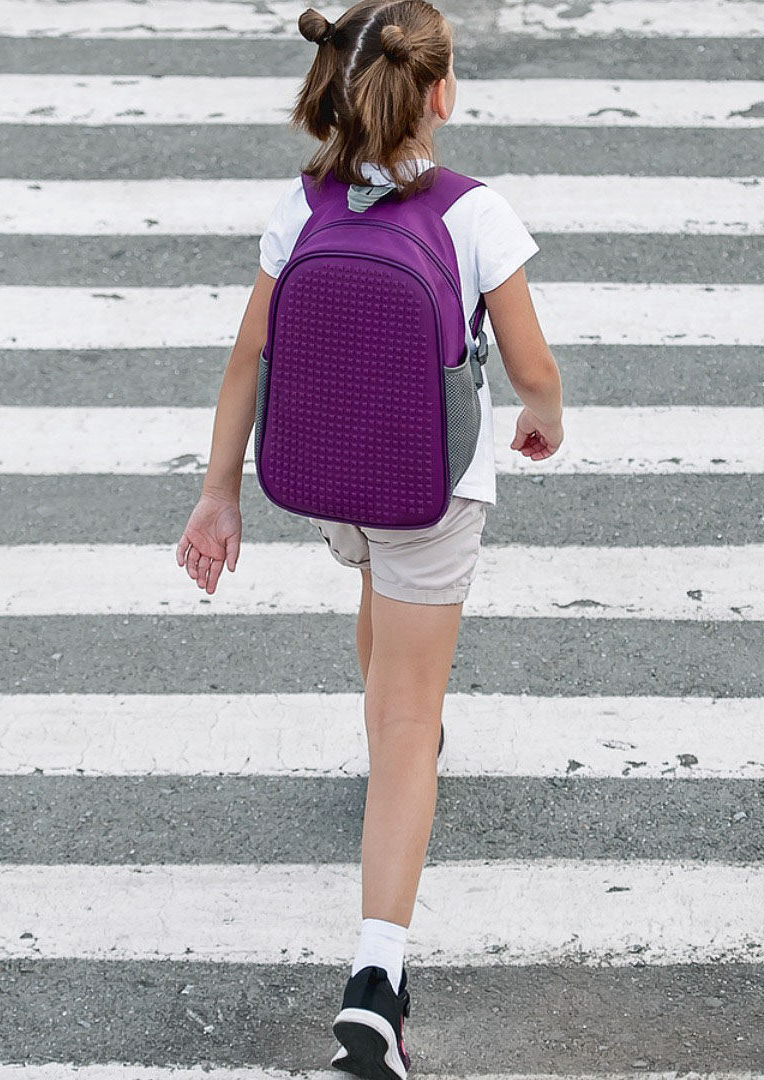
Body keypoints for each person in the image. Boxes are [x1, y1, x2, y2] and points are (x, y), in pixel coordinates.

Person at [174, 0, 566, 1075]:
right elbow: (529, 369)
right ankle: (375, 981)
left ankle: (399, 747)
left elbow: (246, 359)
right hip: (432, 487)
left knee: (380, 614)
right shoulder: (475, 213)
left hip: (329, 476)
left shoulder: (301, 208)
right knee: (408, 718)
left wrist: (219, 496)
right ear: (440, 92)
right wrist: (548, 417)